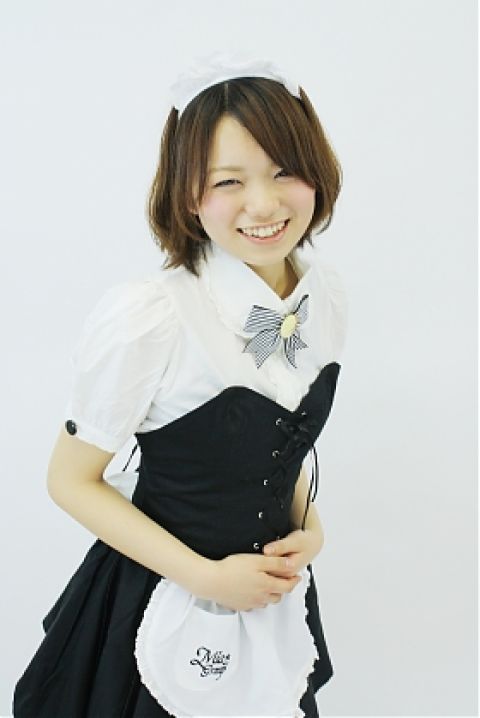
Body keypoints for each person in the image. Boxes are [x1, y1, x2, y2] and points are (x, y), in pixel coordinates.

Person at [12, 51, 348, 718]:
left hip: (268, 605)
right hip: (156, 606)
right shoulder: (152, 316)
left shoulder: (325, 299)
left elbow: (286, 444)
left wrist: (309, 528)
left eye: (284, 170)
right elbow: (70, 480)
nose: (263, 203)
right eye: (229, 181)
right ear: (189, 194)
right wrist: (205, 576)